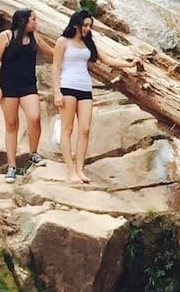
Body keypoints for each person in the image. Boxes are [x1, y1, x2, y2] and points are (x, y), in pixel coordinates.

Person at [52, 10, 136, 184]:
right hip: (67, 86)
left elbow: (107, 60)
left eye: (90, 26)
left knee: (85, 129)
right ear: (76, 24)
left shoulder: (88, 42)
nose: (88, 29)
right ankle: (70, 170)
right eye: (85, 25)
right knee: (67, 129)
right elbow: (55, 67)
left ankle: (80, 169)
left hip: (85, 88)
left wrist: (129, 64)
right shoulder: (63, 41)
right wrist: (57, 92)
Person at [0, 8, 44, 182]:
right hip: (8, 85)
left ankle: (33, 153)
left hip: (28, 85)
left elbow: (52, 51)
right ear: (24, 21)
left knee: (34, 116)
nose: (36, 22)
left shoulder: (35, 37)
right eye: (33, 19)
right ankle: (12, 166)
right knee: (11, 125)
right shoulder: (6, 36)